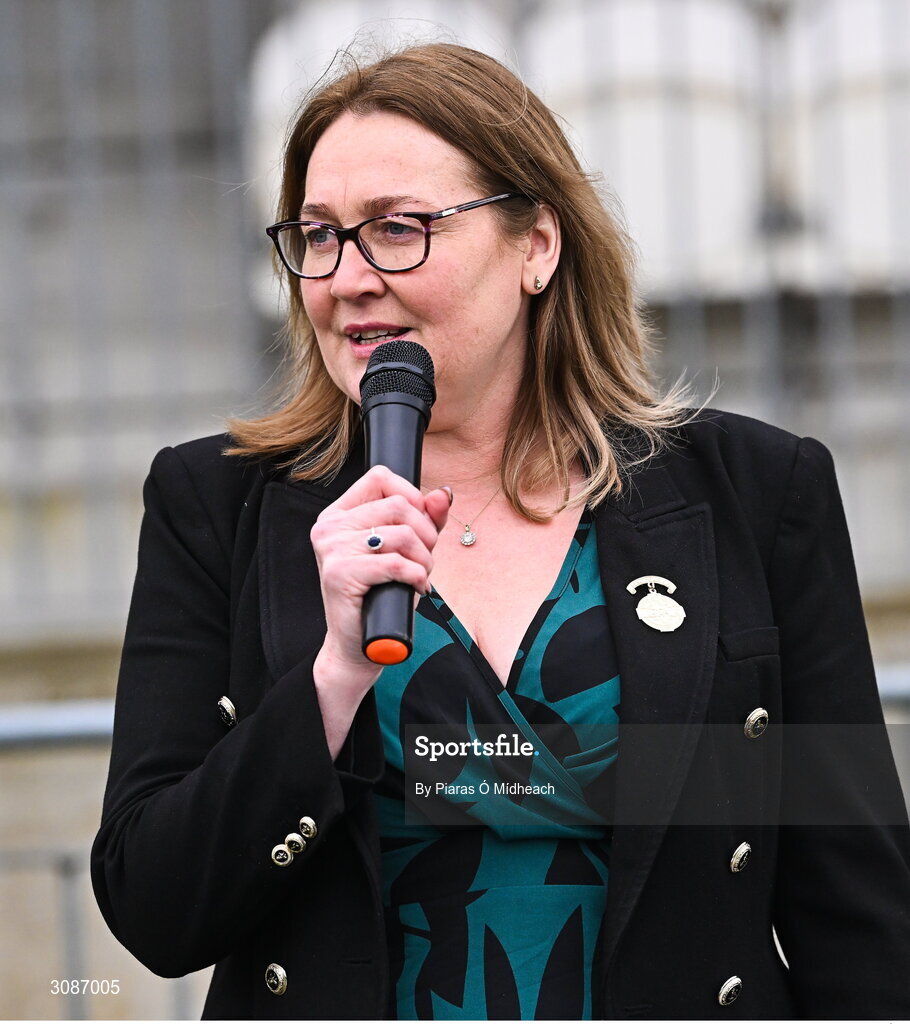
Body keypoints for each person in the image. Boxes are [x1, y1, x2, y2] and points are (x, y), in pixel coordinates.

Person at [91, 42, 910, 1020]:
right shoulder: (214, 506)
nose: (346, 276)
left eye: (397, 229)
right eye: (316, 236)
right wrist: (332, 682)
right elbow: (154, 904)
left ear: (537, 246)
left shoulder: (755, 492)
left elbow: (858, 914)